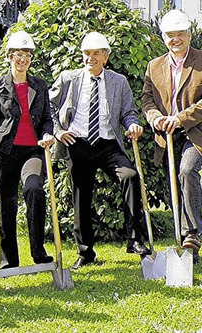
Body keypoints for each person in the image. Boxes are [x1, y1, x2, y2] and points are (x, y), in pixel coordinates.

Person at [49, 31, 151, 270]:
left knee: (130, 176)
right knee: (81, 195)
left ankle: (134, 239)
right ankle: (85, 252)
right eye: (86, 53)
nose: (90, 58)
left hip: (107, 143)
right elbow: (48, 108)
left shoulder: (119, 81)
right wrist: (57, 132)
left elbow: (128, 112)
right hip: (78, 142)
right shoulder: (68, 78)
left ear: (105, 57)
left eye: (96, 54)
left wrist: (133, 124)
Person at [0, 31, 54, 269]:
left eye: (27, 55)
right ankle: (8, 261)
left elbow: (46, 119)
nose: (23, 60)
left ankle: (38, 251)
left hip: (32, 151)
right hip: (4, 152)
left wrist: (47, 134)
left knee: (34, 189)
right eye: (18, 55)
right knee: (7, 204)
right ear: (10, 56)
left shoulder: (39, 85)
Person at [141, 10, 202, 257]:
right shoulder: (154, 66)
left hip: (195, 132)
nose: (175, 40)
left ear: (188, 36)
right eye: (169, 36)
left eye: (179, 35)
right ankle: (183, 232)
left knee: (187, 171)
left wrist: (179, 118)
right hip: (165, 136)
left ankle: (191, 236)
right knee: (174, 182)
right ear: (163, 37)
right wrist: (155, 118)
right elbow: (146, 99)